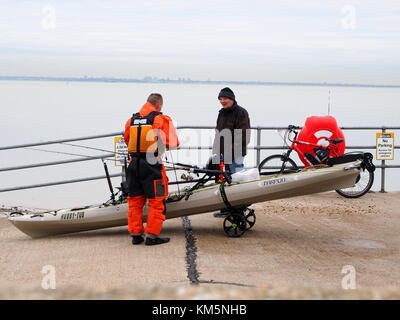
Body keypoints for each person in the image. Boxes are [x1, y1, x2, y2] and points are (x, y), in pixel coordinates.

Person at [124, 93, 179, 245]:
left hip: (133, 164)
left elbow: (127, 140)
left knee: (135, 200)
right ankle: (152, 236)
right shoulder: (161, 119)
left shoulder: (131, 120)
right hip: (153, 165)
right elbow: (173, 143)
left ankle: (136, 235)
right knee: (157, 201)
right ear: (159, 105)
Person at [212, 87, 251, 217]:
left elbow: (244, 136)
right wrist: (216, 152)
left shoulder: (241, 113)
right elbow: (218, 134)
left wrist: (232, 153)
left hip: (236, 155)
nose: (222, 101)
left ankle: (240, 211)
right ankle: (226, 209)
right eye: (220, 99)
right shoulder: (221, 113)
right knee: (223, 183)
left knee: (237, 183)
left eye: (225, 98)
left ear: (232, 99)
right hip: (222, 155)